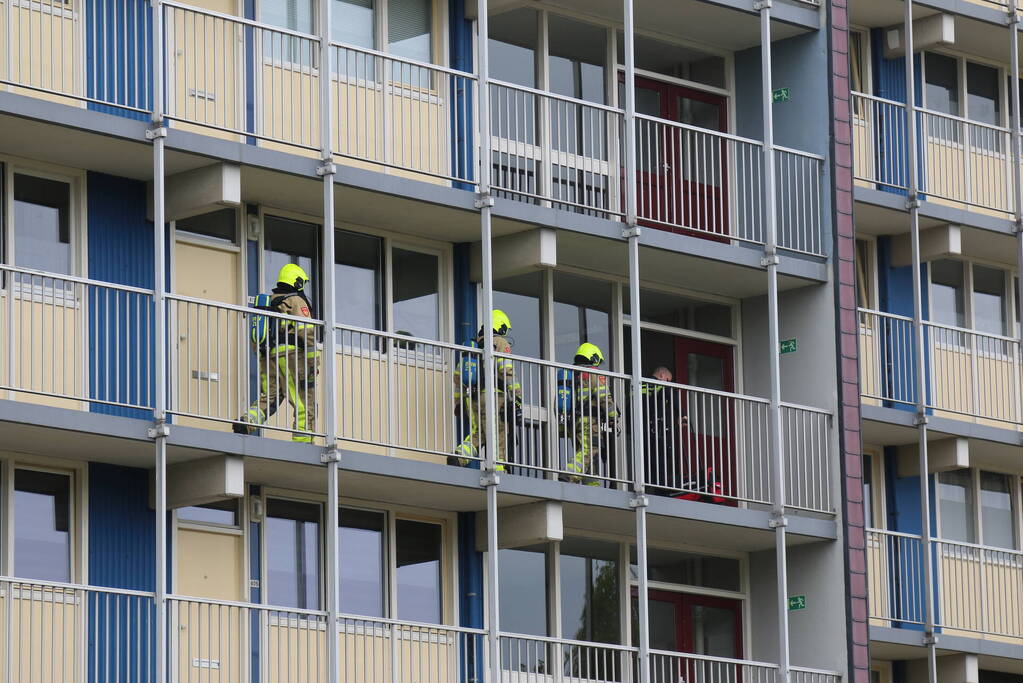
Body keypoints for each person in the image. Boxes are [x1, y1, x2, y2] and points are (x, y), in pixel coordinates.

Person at [234, 263, 319, 442]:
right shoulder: (296, 301)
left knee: (271, 397)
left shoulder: (270, 303)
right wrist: (313, 363)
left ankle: (247, 421)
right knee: (304, 400)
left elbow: (257, 337)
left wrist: (264, 357)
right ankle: (303, 442)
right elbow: (307, 332)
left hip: (268, 357)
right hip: (293, 357)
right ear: (297, 282)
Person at [449, 309, 521, 468]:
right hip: (494, 398)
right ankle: (499, 470)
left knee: (478, 433)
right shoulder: (500, 343)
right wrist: (517, 397)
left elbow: (458, 377)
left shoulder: (472, 346)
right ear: (500, 327)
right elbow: (507, 370)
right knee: (498, 434)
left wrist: (459, 403)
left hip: (472, 399)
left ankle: (461, 455)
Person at [563, 343, 619, 486]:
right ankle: (569, 474)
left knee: (585, 451)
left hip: (574, 421)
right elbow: (604, 398)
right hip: (589, 421)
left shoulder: (573, 374)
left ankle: (591, 484)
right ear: (593, 358)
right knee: (590, 449)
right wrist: (613, 417)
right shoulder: (594, 374)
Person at [641, 366, 689, 495]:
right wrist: (682, 414)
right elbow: (670, 394)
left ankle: (646, 487)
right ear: (662, 376)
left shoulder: (640, 384)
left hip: (642, 429)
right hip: (653, 430)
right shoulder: (656, 384)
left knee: (646, 461)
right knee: (660, 461)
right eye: (668, 380)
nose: (668, 383)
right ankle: (660, 490)